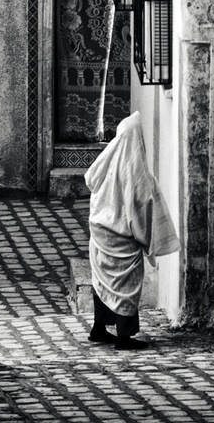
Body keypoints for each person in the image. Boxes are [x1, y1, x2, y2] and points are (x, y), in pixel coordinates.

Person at [84, 111, 180, 350]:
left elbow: (92, 183)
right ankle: (124, 337)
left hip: (100, 232)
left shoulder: (105, 164)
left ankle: (99, 328)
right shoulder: (136, 174)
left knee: (103, 282)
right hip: (121, 238)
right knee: (125, 285)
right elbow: (142, 211)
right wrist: (148, 242)